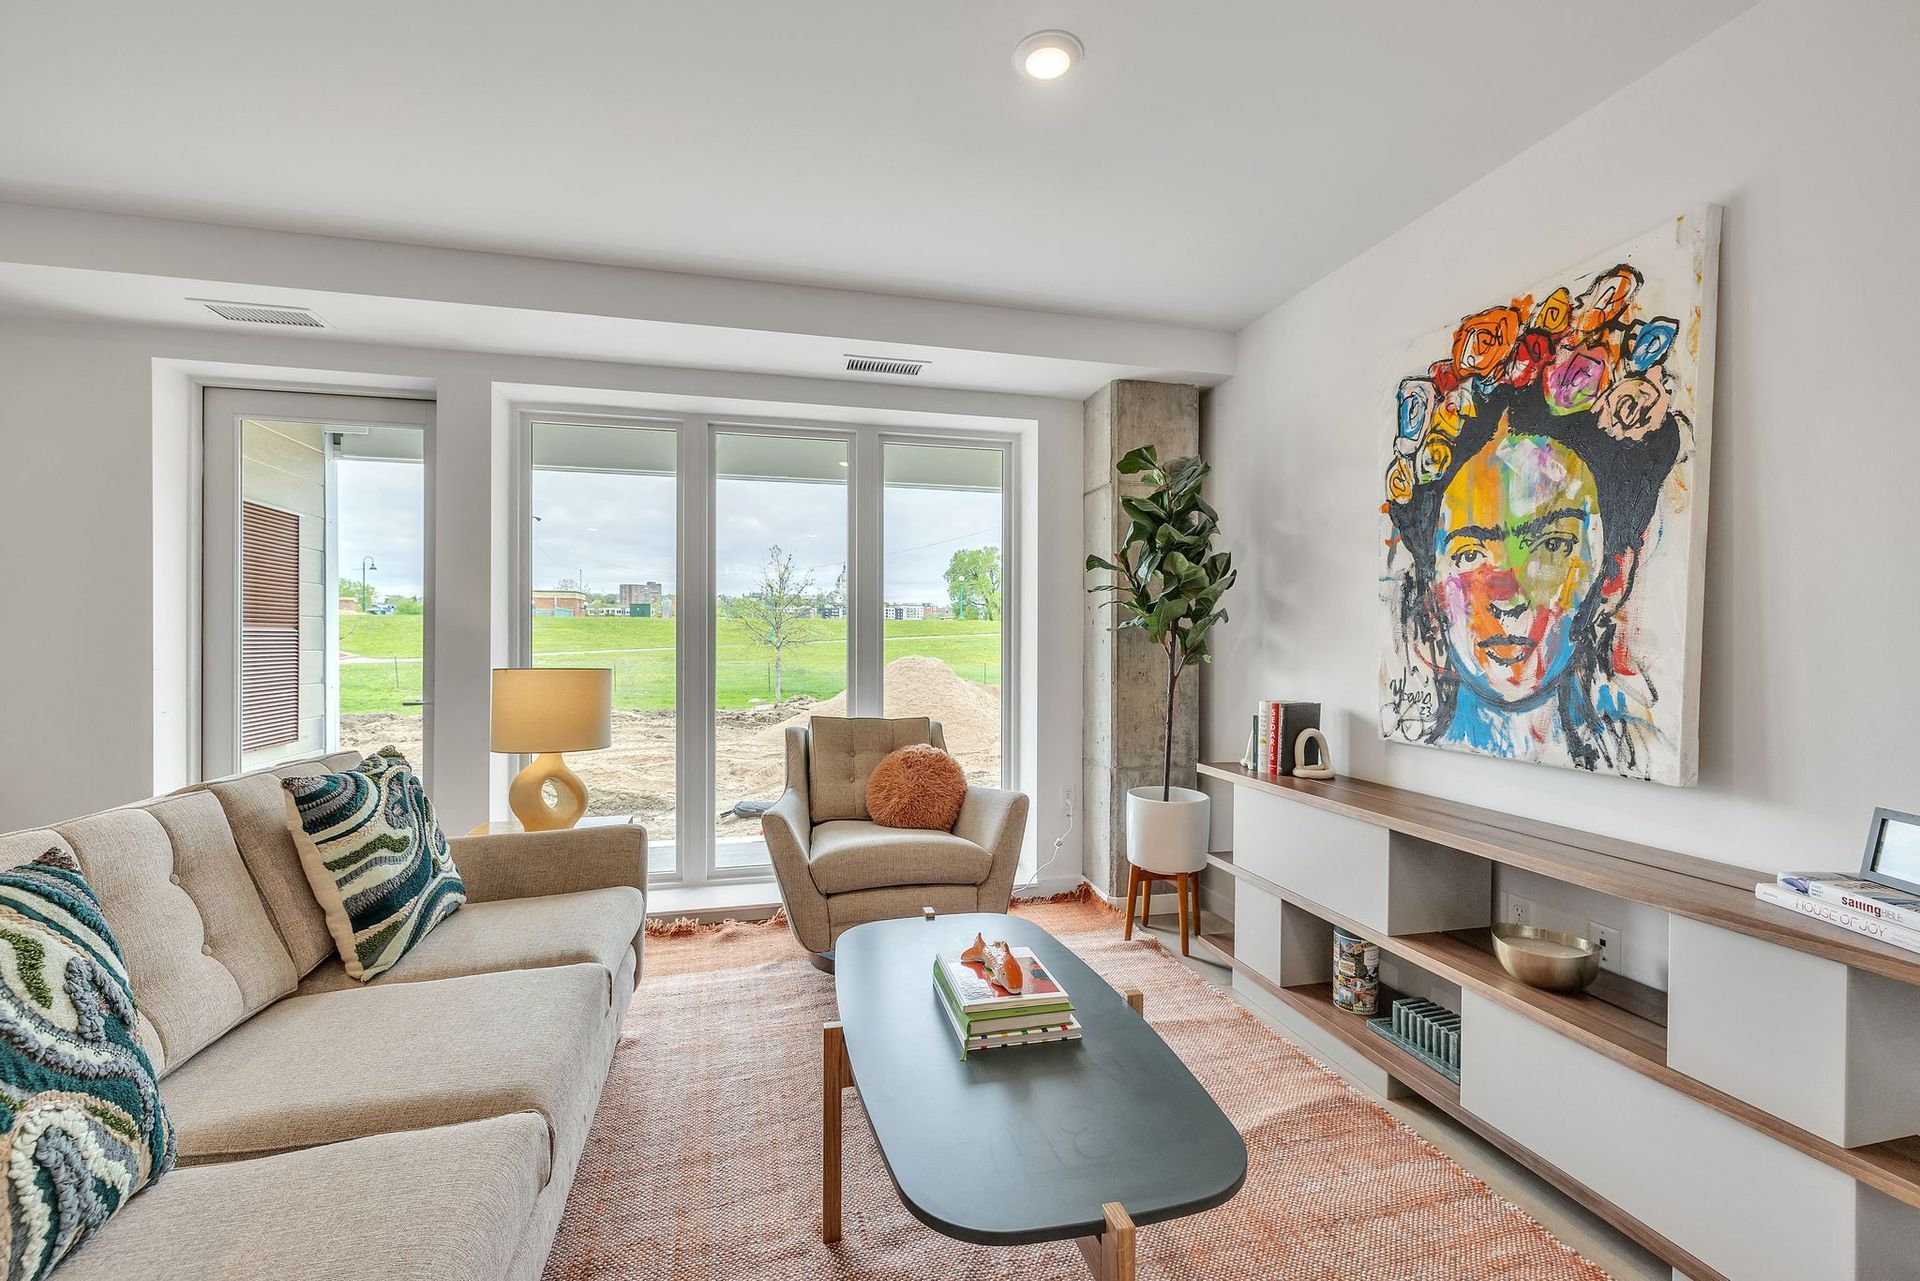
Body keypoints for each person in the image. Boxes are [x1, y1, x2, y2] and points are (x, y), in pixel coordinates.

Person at [1383, 266, 1686, 776]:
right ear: (1433, 588)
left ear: (1612, 574)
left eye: (1552, 546)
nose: (1507, 594)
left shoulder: (1639, 753)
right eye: (1470, 554)